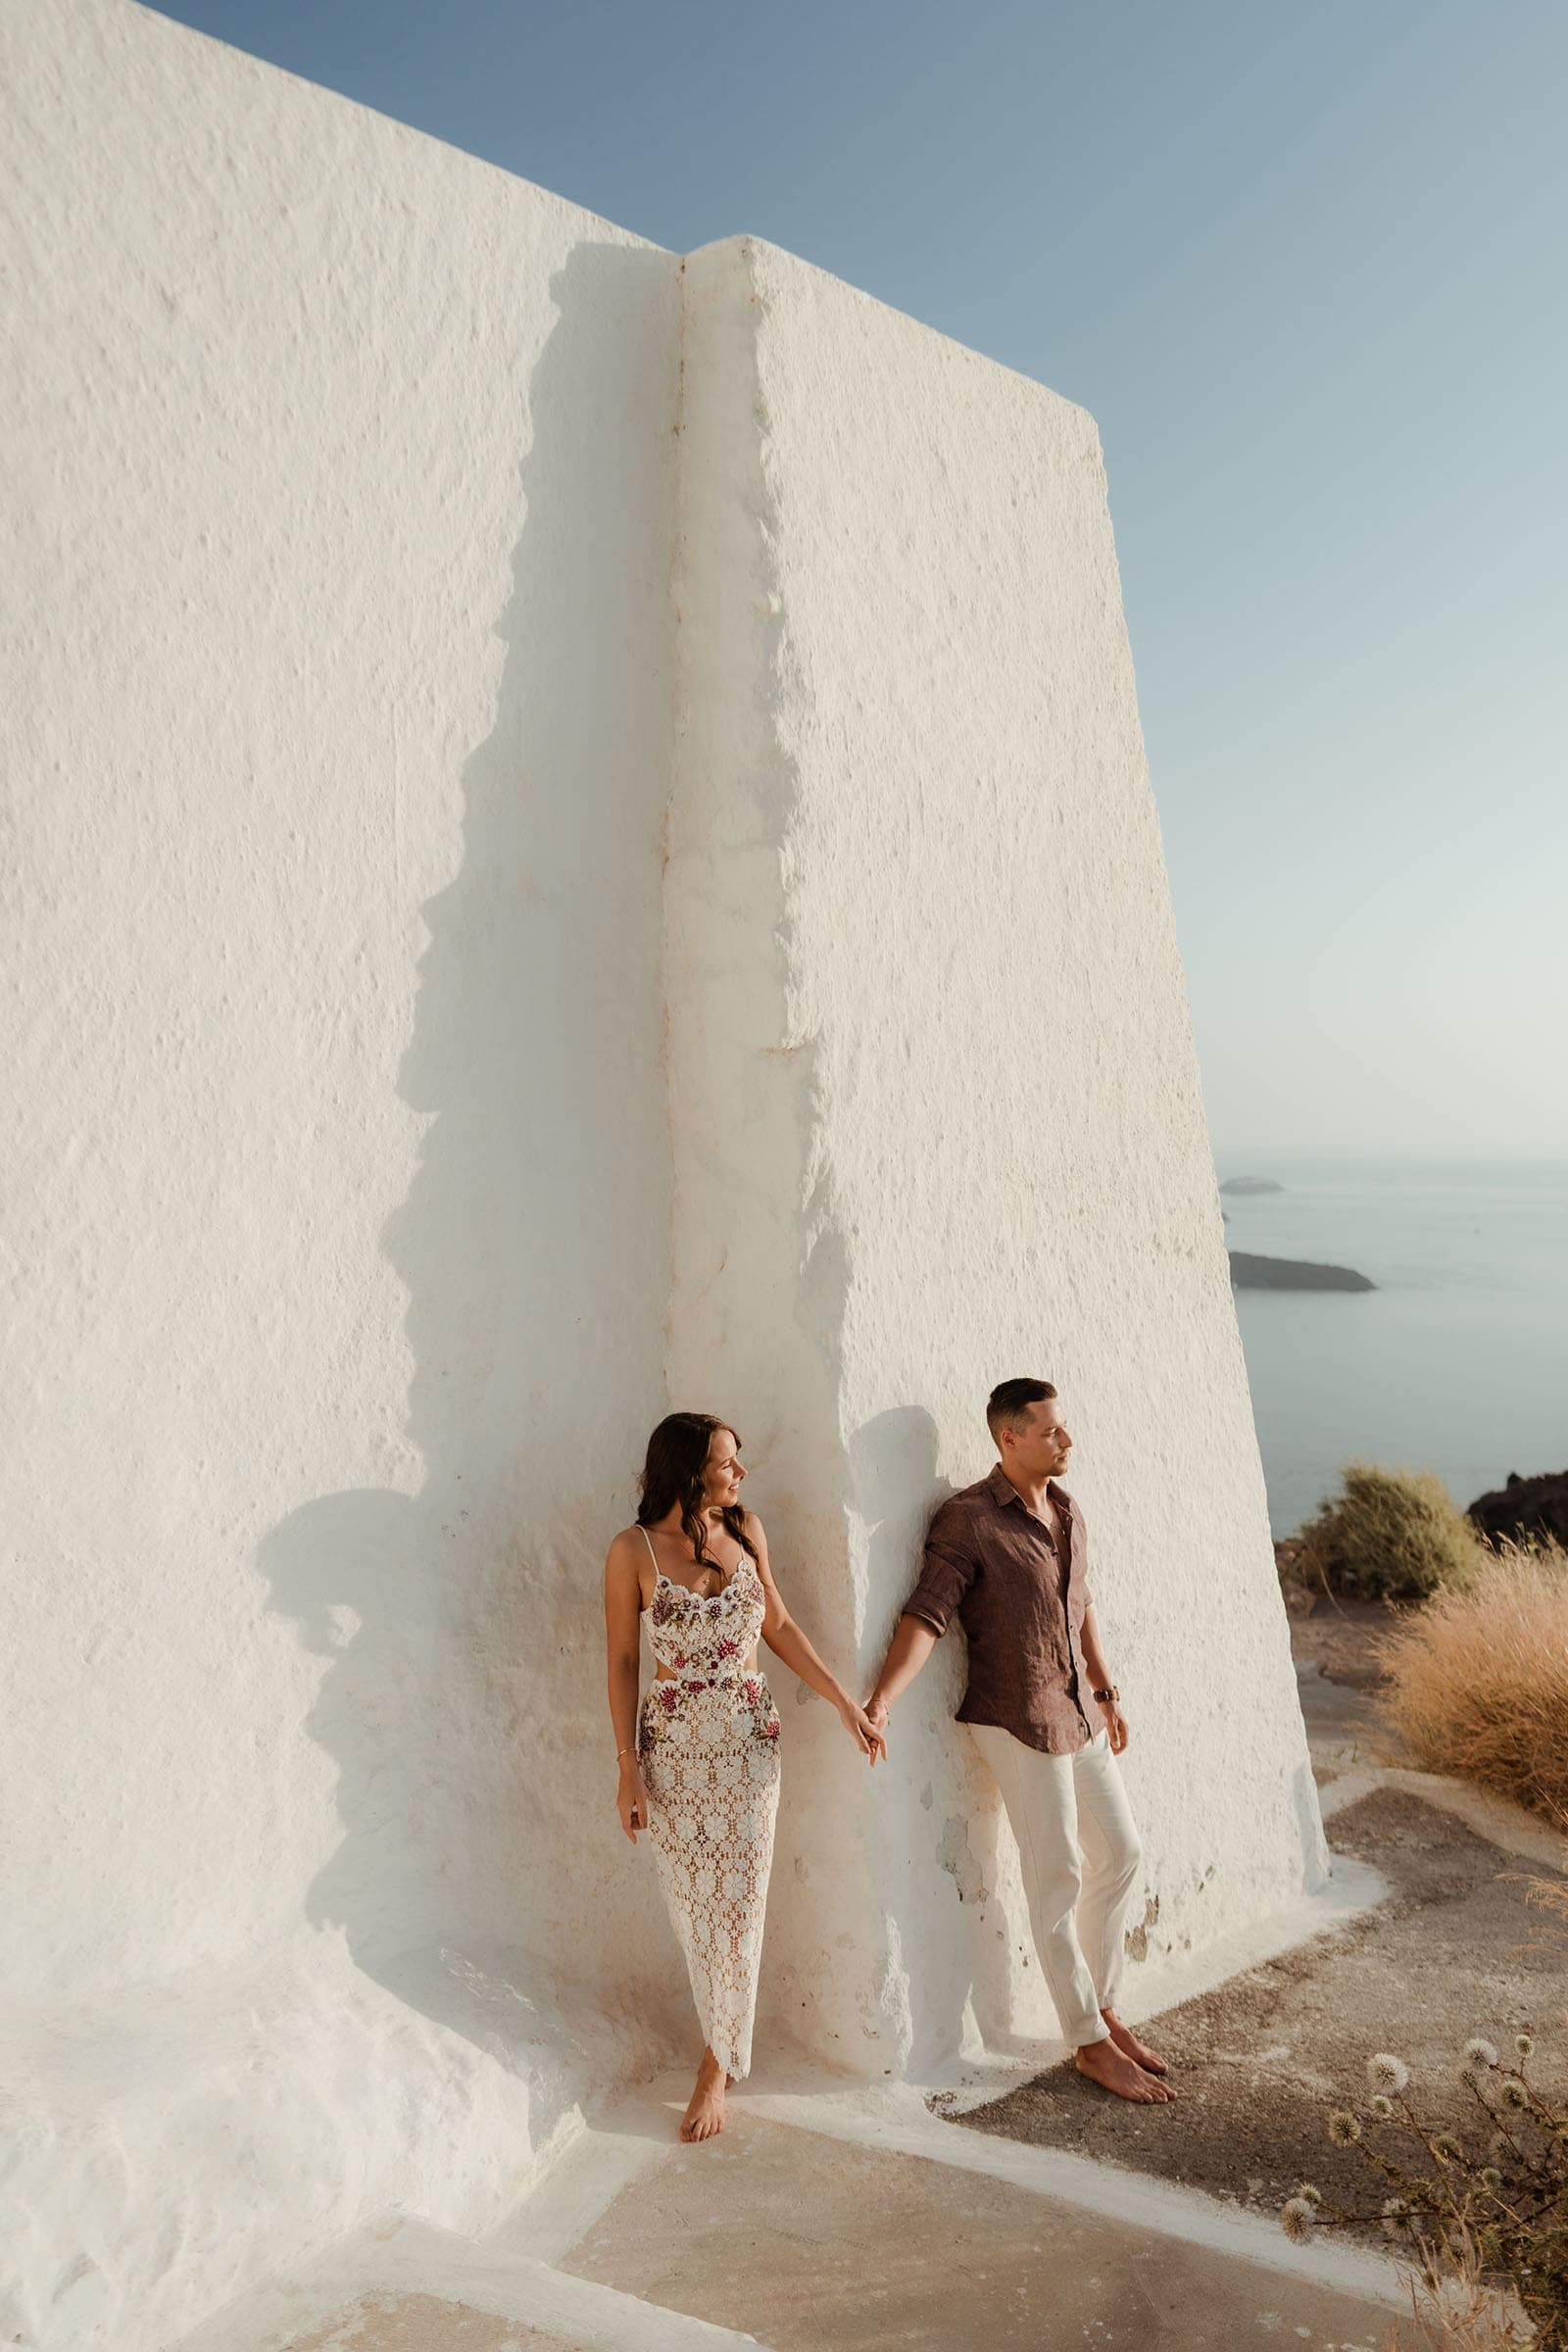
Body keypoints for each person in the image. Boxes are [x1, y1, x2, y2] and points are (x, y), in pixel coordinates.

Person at [866, 1378, 1174, 2105]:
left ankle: (1100, 2005)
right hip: (1014, 1716)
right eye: (1050, 1432)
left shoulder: (1065, 1508)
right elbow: (926, 1615)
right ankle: (1090, 2044)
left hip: (1076, 1713)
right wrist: (880, 1698)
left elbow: (1081, 1604)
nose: (1066, 1441)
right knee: (1059, 1875)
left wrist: (1105, 1689)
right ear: (1009, 1439)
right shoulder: (968, 1520)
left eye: (1063, 1428)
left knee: (1122, 1855)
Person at [605, 1410, 886, 2142]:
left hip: (749, 1752)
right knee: (695, 1913)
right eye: (729, 1462)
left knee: (741, 1909)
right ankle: (722, 2043)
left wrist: (845, 1706)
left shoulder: (747, 1531)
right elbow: (624, 1663)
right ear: (689, 1467)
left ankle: (715, 2067)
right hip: (671, 1757)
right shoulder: (631, 1552)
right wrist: (627, 1773)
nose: (741, 1473)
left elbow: (781, 1627)